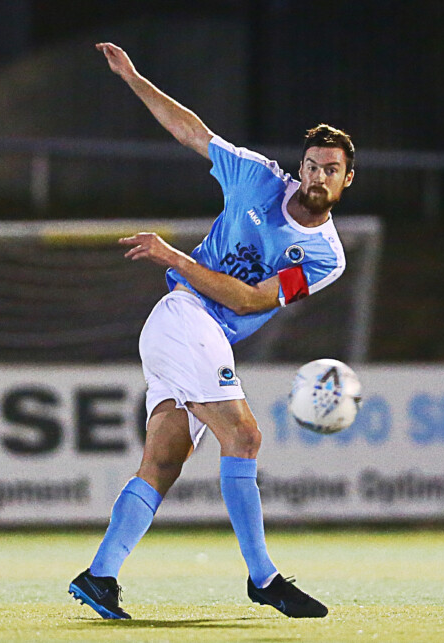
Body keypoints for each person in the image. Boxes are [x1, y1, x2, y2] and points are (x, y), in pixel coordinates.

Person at [68, 42, 355, 620]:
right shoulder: (256, 180)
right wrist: (133, 77)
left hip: (194, 330)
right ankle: (264, 577)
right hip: (183, 317)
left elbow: (252, 299)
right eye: (312, 165)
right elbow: (190, 131)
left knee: (165, 460)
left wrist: (176, 256)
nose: (318, 176)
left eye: (332, 170)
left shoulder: (326, 257)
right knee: (244, 439)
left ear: (348, 179)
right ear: (299, 167)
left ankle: (99, 576)